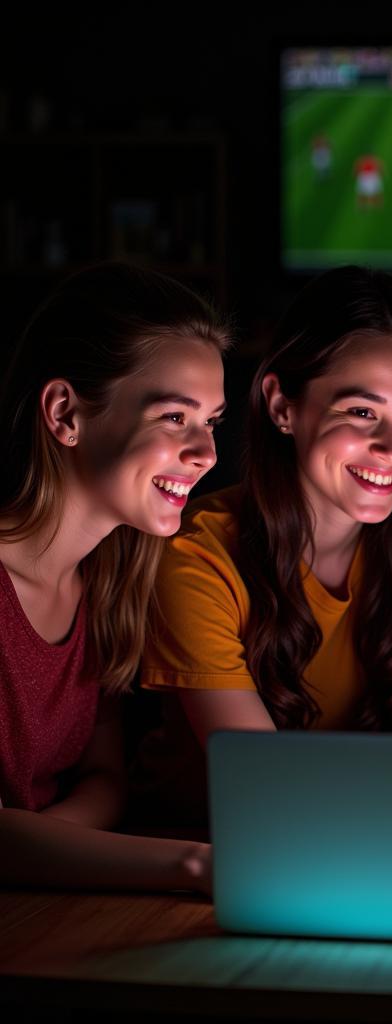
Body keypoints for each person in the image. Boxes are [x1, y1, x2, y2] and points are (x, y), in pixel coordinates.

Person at [134, 266, 392, 823]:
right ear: (283, 406)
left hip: (368, 846)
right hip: (190, 859)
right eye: (362, 412)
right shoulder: (196, 556)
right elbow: (268, 791)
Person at [0, 263, 230, 892]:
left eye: (212, 421)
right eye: (174, 418)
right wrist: (196, 866)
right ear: (65, 412)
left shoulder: (109, 582)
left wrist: (37, 846)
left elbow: (105, 780)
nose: (207, 453)